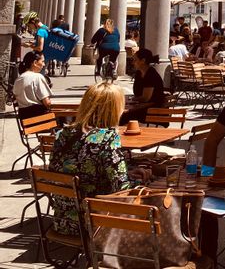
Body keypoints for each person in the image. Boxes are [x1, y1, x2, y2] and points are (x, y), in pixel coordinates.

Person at [48, 82, 149, 236]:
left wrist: (128, 173)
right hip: (93, 224)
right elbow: (122, 190)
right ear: (114, 109)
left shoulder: (63, 134)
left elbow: (60, 171)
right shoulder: (108, 138)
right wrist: (144, 180)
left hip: (63, 221)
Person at [121, 48, 165, 123]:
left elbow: (146, 98)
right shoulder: (139, 73)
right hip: (141, 107)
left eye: (135, 60)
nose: (133, 63)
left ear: (143, 61)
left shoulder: (151, 74)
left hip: (152, 112)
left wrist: (132, 99)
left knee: (122, 117)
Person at [13, 51, 52, 120]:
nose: (43, 64)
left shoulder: (18, 80)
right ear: (35, 63)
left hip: (24, 118)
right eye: (42, 61)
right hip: (39, 118)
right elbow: (47, 103)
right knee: (67, 118)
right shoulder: (37, 77)